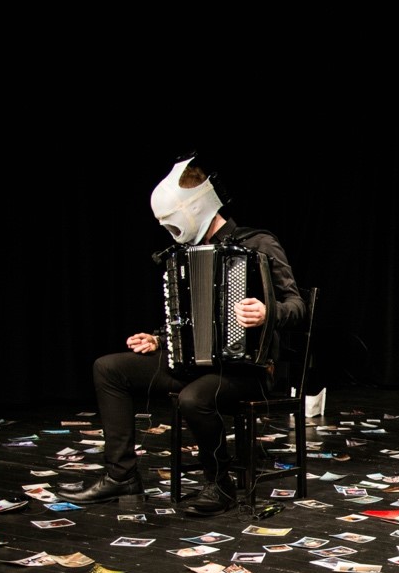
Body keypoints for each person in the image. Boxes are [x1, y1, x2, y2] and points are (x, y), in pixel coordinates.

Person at [67, 156, 305, 516]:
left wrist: (268, 312)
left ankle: (219, 484)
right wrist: (160, 339)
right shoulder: (184, 255)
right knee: (108, 368)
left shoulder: (258, 243)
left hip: (249, 371)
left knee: (194, 398)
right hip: (193, 364)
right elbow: (186, 318)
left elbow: (297, 306)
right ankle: (122, 475)